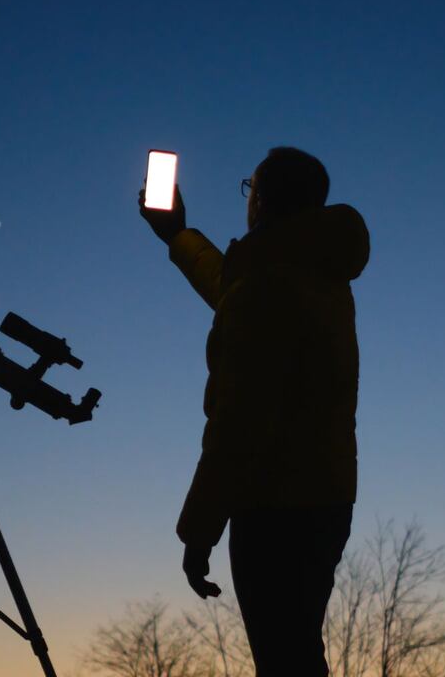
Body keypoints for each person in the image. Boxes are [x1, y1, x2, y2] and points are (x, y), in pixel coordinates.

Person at [139, 146, 369, 676]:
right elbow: (234, 290)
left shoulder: (268, 284)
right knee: (298, 652)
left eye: (250, 188)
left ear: (260, 199)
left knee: (285, 662)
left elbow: (238, 425)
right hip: (326, 497)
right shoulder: (317, 270)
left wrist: (199, 531)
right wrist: (178, 234)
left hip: (273, 506)